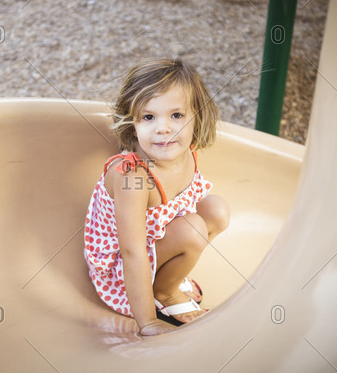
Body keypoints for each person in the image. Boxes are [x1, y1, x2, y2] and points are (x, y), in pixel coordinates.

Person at [84, 58, 230, 336]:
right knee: (193, 228)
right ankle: (163, 292)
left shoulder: (185, 151)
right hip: (122, 270)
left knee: (217, 210)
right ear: (133, 123)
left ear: (195, 118)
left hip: (156, 241)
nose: (164, 129)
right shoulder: (134, 177)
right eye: (149, 117)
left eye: (177, 116)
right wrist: (147, 322)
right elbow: (132, 251)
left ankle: (167, 279)